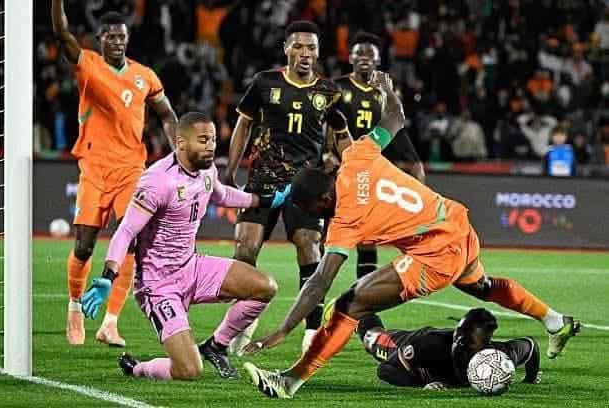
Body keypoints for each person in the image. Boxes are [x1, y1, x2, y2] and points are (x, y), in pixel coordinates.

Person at [242, 72, 579, 399]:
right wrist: (387, 89)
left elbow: (319, 281)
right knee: (482, 286)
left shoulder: (346, 218)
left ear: (323, 199)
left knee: (348, 305)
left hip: (436, 254)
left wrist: (283, 329)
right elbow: (396, 117)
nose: (313, 216)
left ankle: (288, 382)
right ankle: (554, 320)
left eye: (310, 209)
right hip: (457, 224)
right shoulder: (356, 156)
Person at [80, 112, 289, 380]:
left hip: (192, 267)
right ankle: (137, 368)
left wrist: (264, 200)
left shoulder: (207, 171)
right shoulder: (158, 180)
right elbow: (126, 231)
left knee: (264, 287)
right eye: (203, 140)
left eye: (213, 139)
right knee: (189, 370)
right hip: (159, 285)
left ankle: (216, 345)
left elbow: (222, 194)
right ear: (181, 143)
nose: (211, 146)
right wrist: (108, 275)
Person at [51, 0, 178, 347]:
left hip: (131, 170)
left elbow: (167, 115)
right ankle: (75, 307)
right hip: (94, 168)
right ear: (100, 39)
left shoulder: (145, 76)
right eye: (110, 37)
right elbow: (61, 33)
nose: (117, 42)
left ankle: (110, 323)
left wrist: (179, 150)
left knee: (132, 242)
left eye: (122, 37)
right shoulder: (88, 64)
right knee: (84, 246)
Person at [222, 20, 351, 353]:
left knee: (310, 246)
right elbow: (243, 126)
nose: (305, 53)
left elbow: (342, 136)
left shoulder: (329, 92)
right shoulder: (264, 83)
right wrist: (230, 170)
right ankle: (242, 323)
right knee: (245, 248)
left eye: (311, 48)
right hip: (262, 180)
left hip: (306, 187)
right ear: (286, 49)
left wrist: (353, 168)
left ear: (318, 53)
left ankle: (312, 332)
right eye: (298, 46)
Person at [331, 31, 425, 335]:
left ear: (378, 60)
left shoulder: (385, 92)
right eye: (359, 53)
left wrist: (415, 170)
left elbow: (397, 127)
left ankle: (361, 305)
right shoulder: (338, 87)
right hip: (341, 169)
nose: (364, 59)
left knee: (367, 241)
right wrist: (328, 154)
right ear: (350, 57)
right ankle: (320, 312)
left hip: (372, 173)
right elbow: (324, 124)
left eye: (370, 55)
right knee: (326, 241)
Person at [359, 308, 540, 389]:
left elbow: (531, 346)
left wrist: (529, 379)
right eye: (458, 336)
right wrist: (421, 383)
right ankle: (352, 308)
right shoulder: (429, 344)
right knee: (371, 335)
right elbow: (385, 370)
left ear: (484, 344)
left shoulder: (500, 356)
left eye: (466, 341)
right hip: (403, 343)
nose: (458, 343)